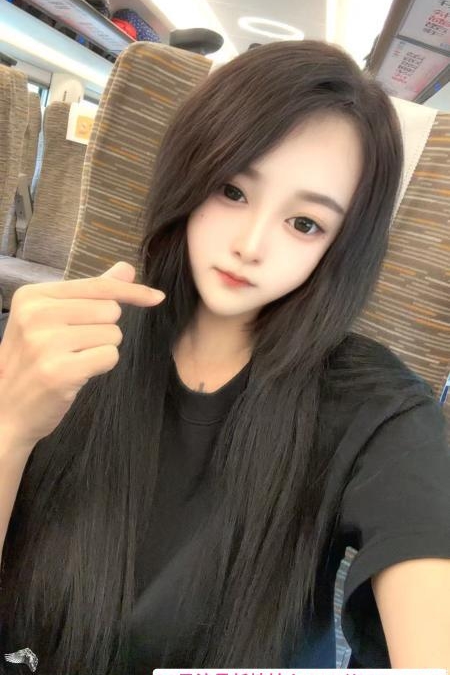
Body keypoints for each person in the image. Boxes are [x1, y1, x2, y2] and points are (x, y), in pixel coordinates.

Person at [0, 40, 448, 675]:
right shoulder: (68, 341)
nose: (251, 244)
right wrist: (9, 425)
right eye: (232, 190)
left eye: (305, 224)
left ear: (341, 247)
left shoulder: (378, 409)